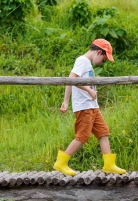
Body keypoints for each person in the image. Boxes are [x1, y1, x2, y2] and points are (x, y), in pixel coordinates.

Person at [53, 39, 126, 176]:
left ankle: (109, 164)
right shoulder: (83, 61)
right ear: (99, 52)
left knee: (103, 132)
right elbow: (72, 79)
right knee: (82, 136)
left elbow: (71, 78)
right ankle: (61, 162)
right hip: (84, 107)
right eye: (104, 59)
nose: (103, 63)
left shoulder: (87, 64)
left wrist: (66, 101)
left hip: (93, 106)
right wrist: (89, 91)